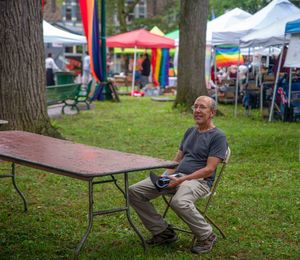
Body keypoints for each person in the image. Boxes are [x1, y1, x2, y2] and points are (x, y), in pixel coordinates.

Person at [129, 96, 228, 254]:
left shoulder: (218, 136)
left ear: (212, 113)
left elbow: (209, 169)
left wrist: (182, 179)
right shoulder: (190, 131)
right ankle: (163, 232)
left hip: (199, 181)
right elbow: (176, 160)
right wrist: (164, 177)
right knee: (135, 191)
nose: (197, 110)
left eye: (202, 107)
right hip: (177, 177)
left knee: (179, 202)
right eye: (195, 107)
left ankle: (206, 235)